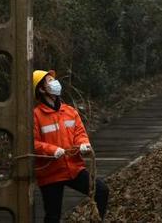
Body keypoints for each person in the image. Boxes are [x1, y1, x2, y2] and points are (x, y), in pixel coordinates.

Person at [33, 70, 109, 222]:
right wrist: (52, 150)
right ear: (41, 89)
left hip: (73, 169)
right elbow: (32, 143)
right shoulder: (35, 116)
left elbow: (80, 133)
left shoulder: (69, 111)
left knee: (101, 191)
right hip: (50, 173)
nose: (55, 82)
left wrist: (83, 145)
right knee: (53, 216)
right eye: (49, 80)